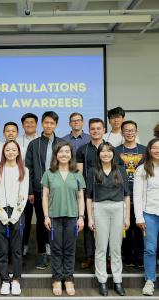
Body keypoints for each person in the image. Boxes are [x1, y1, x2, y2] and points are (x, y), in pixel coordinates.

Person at [86, 142, 130, 297]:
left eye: (109, 151)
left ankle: (118, 281)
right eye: (102, 151)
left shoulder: (121, 170)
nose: (106, 154)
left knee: (116, 248)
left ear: (113, 153)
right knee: (101, 247)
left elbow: (126, 195)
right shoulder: (92, 171)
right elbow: (89, 197)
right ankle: (102, 281)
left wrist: (127, 216)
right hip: (99, 209)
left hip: (118, 208)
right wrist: (90, 218)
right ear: (98, 155)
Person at [42, 141, 85, 296]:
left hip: (72, 218)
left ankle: (68, 279)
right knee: (56, 250)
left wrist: (81, 217)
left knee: (69, 250)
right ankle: (56, 279)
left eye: (67, 151)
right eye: (61, 152)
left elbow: (80, 197)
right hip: (54, 218)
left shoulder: (77, 174)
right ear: (56, 155)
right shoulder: (49, 173)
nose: (64, 154)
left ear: (71, 154)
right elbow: (45, 196)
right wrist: (46, 216)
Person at [25, 111, 64, 269]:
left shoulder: (61, 144)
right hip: (39, 190)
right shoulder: (34, 144)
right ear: (42, 124)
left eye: (52, 123)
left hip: (58, 190)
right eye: (46, 123)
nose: (49, 125)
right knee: (41, 221)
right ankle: (42, 252)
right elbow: (29, 168)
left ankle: (55, 251)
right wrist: (30, 191)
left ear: (56, 125)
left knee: (57, 221)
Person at [0, 140, 29, 296]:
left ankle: (16, 280)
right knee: (2, 250)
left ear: (18, 152)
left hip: (17, 212)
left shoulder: (24, 170)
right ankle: (5, 280)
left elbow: (24, 193)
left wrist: (14, 215)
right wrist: (1, 213)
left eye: (14, 150)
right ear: (3, 152)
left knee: (17, 250)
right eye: (8, 150)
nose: (11, 152)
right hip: (0, 211)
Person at [76, 118, 105, 269]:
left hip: (107, 194)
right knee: (89, 226)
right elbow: (79, 173)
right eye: (92, 128)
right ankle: (90, 257)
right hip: (88, 193)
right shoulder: (82, 149)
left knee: (105, 226)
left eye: (98, 128)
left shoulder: (110, 149)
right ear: (89, 130)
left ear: (103, 130)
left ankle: (105, 257)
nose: (95, 131)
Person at [115, 120, 146, 267]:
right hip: (122, 195)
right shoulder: (115, 151)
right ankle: (126, 255)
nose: (129, 133)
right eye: (126, 130)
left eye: (132, 130)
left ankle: (139, 255)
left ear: (136, 132)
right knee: (125, 226)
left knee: (139, 227)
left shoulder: (145, 151)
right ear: (122, 132)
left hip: (141, 196)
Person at [133, 138, 159, 296]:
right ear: (149, 150)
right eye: (154, 147)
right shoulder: (142, 169)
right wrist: (139, 217)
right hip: (149, 214)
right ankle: (150, 280)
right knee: (150, 249)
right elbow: (137, 195)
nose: (157, 150)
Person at [17, 113, 38, 256]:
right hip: (23, 185)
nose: (29, 124)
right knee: (25, 217)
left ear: (36, 124)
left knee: (44, 218)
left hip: (40, 184)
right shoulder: (17, 141)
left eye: (32, 122)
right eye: (26, 122)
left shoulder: (42, 140)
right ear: (23, 125)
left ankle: (46, 246)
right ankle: (23, 244)